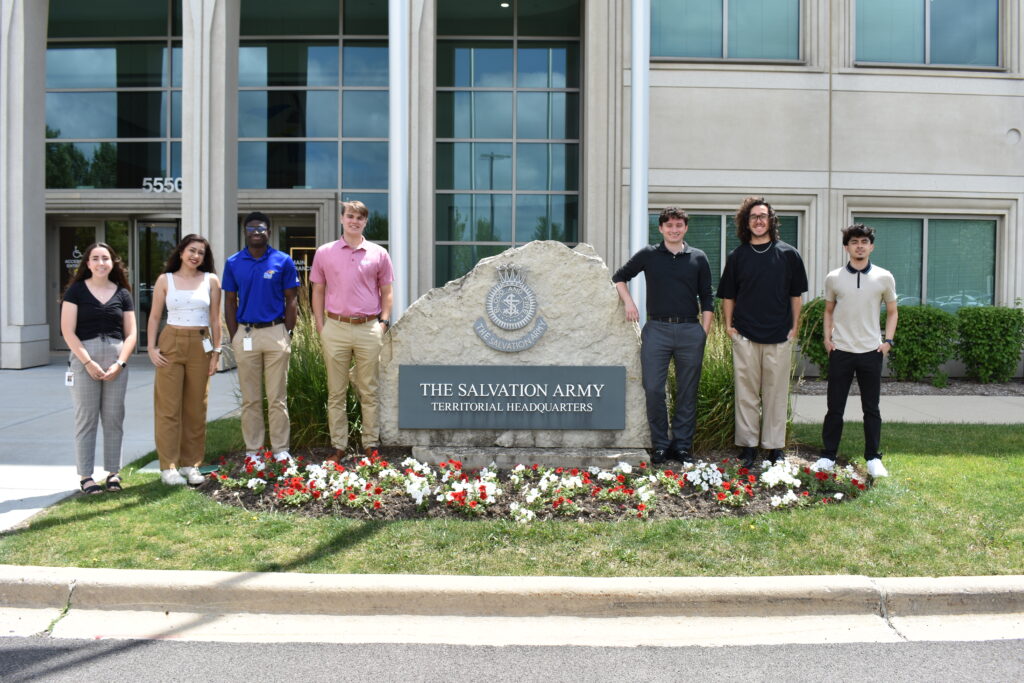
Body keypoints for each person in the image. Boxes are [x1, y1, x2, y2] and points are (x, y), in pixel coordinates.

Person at [612, 207, 714, 464]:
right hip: (656, 329)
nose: (674, 229)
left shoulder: (698, 257)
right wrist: (629, 303)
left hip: (690, 330)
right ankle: (660, 445)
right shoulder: (649, 254)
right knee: (654, 389)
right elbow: (619, 277)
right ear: (660, 228)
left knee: (687, 391)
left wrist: (704, 332)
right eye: (669, 225)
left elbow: (708, 298)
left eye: (679, 224)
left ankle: (681, 447)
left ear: (685, 228)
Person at [717, 196, 808, 468]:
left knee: (775, 393)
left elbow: (796, 296)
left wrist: (795, 328)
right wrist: (730, 327)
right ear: (747, 222)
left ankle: (774, 447)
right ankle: (747, 447)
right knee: (746, 394)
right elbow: (728, 296)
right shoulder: (737, 256)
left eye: (763, 216)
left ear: (771, 220)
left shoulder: (788, 254)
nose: (758, 220)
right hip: (744, 335)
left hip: (779, 336)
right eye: (753, 216)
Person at [310, 200, 394, 461]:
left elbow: (387, 292)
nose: (354, 221)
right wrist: (321, 326)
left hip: (369, 327)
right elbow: (318, 290)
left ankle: (370, 443)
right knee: (336, 392)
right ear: (342, 219)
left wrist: (383, 323)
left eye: (360, 217)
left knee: (369, 389)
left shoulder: (379, 254)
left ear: (365, 222)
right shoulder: (325, 252)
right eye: (350, 216)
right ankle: (339, 446)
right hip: (335, 328)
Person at [814, 224, 898, 478]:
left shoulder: (884, 277)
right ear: (846, 247)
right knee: (834, 408)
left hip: (871, 351)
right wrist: (827, 340)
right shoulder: (834, 277)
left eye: (864, 241)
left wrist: (888, 342)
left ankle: (873, 458)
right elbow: (828, 310)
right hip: (841, 351)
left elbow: (893, 311)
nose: (859, 246)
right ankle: (828, 456)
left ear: (871, 246)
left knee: (871, 408)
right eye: (854, 242)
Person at [223, 212, 300, 465]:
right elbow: (230, 301)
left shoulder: (283, 260)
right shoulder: (234, 262)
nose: (256, 232)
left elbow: (292, 298)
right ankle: (253, 451)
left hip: (275, 332)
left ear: (269, 231)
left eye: (261, 228)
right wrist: (234, 334)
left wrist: (287, 332)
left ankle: (280, 449)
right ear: (245, 231)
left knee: (277, 397)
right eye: (251, 228)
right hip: (246, 334)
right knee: (250, 398)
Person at [60, 243, 138, 494]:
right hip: (85, 358)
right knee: (86, 419)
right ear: (88, 263)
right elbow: (67, 331)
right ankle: (86, 476)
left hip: (116, 359)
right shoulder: (76, 291)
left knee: (114, 418)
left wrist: (120, 363)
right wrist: (88, 362)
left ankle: (113, 473)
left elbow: (132, 333)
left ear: (113, 262)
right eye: (95, 258)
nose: (101, 262)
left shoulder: (123, 294)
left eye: (105, 258)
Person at [147, 234, 222, 486]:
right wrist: (151, 347)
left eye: (201, 252)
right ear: (181, 252)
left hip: (201, 343)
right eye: (192, 250)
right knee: (168, 408)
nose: (196, 256)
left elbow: (215, 319)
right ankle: (168, 467)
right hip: (171, 342)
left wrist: (217, 352)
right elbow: (155, 316)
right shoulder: (164, 280)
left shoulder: (211, 280)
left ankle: (191, 465)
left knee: (196, 408)